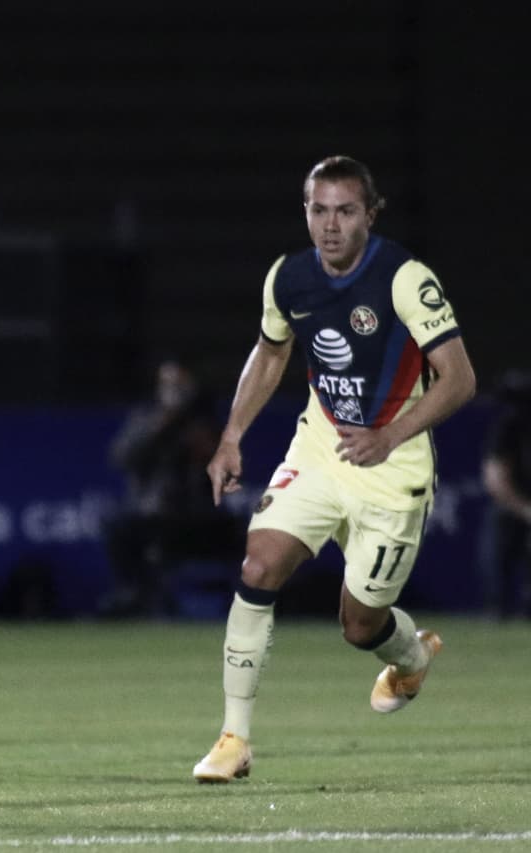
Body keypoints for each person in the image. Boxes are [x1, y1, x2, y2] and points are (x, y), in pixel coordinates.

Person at [191, 155, 476, 783]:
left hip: (392, 466)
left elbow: (460, 379)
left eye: (346, 210)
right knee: (257, 565)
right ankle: (233, 739)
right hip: (321, 446)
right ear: (306, 212)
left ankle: (410, 656)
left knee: (359, 624)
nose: (330, 225)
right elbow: (270, 353)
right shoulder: (288, 278)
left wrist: (389, 433)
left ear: (369, 215)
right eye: (319, 210)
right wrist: (231, 436)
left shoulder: (404, 279)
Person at [100, 357, 240, 617]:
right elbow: (121, 457)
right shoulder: (147, 418)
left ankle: (250, 602)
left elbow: (229, 470)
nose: (174, 390)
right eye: (168, 383)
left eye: (180, 383)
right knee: (119, 528)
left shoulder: (206, 421)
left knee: (247, 530)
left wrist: (206, 449)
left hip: (200, 516)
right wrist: (161, 425)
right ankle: (133, 595)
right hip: (153, 516)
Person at [478, 369, 531, 619]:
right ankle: (496, 607)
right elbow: (495, 477)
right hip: (515, 504)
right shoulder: (509, 426)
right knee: (499, 534)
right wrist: (524, 509)